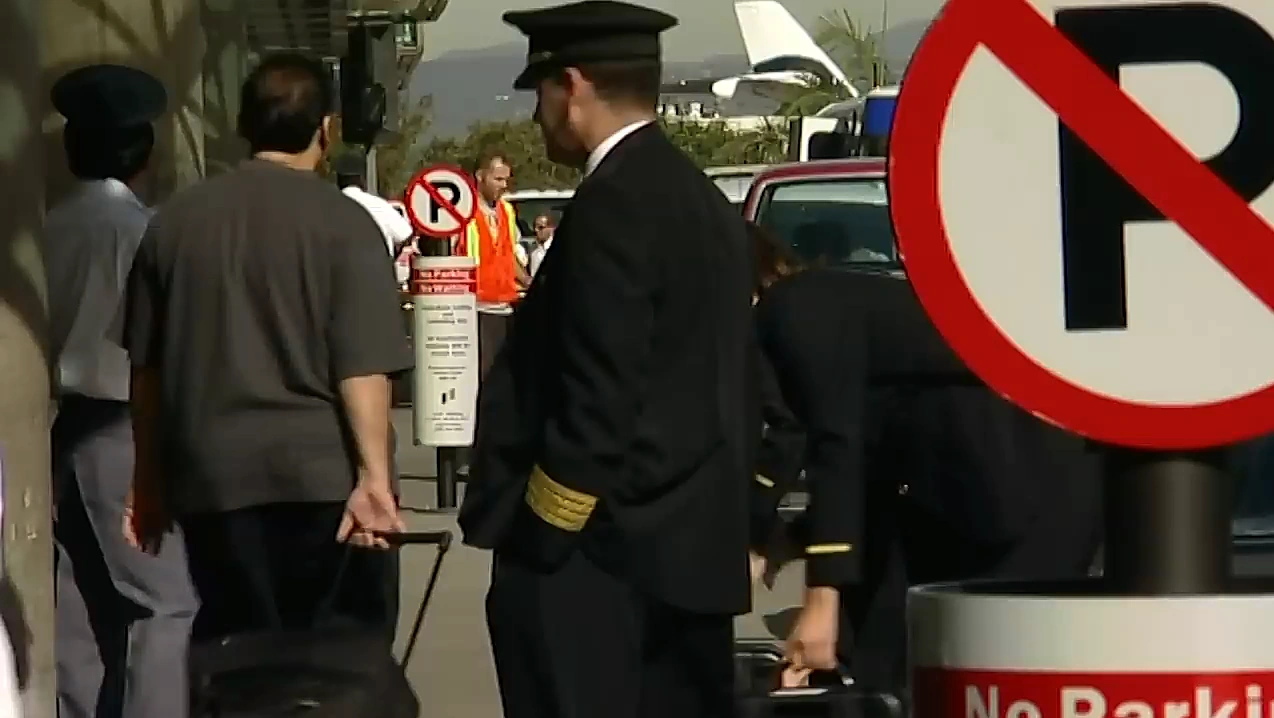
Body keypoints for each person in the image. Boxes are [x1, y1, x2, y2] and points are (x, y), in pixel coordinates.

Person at [458, 3, 756, 717]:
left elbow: (597, 399)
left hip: (601, 565)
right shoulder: (701, 199)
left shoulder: (613, 202)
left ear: (572, 86)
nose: (537, 118)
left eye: (539, 94)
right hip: (691, 555)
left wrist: (540, 536)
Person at [120, 52, 411, 642]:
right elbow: (362, 365)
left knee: (238, 644)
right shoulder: (345, 223)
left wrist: (146, 479)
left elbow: (146, 372)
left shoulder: (174, 224)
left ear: (242, 125)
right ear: (326, 129)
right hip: (321, 480)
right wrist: (375, 478)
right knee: (334, 656)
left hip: (213, 481)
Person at [752, 264, 1103, 697]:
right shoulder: (828, 306)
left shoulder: (791, 310)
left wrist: (821, 603)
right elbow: (842, 443)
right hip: (966, 480)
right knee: (897, 656)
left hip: (1019, 473)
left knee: (1006, 666)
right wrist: (789, 538)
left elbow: (834, 444)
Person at [43, 64, 198, 718]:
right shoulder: (142, 231)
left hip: (65, 425)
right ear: (144, 152)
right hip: (126, 427)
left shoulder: (51, 226)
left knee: (77, 611)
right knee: (165, 606)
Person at [460, 148, 532, 378]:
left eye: (506, 180)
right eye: (498, 179)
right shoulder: (463, 210)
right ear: (480, 176)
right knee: (483, 372)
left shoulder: (506, 210)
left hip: (504, 305)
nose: (504, 185)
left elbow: (508, 254)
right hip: (476, 306)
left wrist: (528, 282)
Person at [334, 153, 415, 271]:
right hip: (377, 273)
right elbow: (405, 234)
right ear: (362, 179)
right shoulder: (380, 205)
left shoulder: (326, 207)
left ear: (337, 180)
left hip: (337, 274)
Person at [527, 212, 555, 278]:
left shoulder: (555, 248)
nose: (536, 230)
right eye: (534, 227)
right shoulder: (531, 247)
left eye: (540, 227)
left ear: (550, 229)